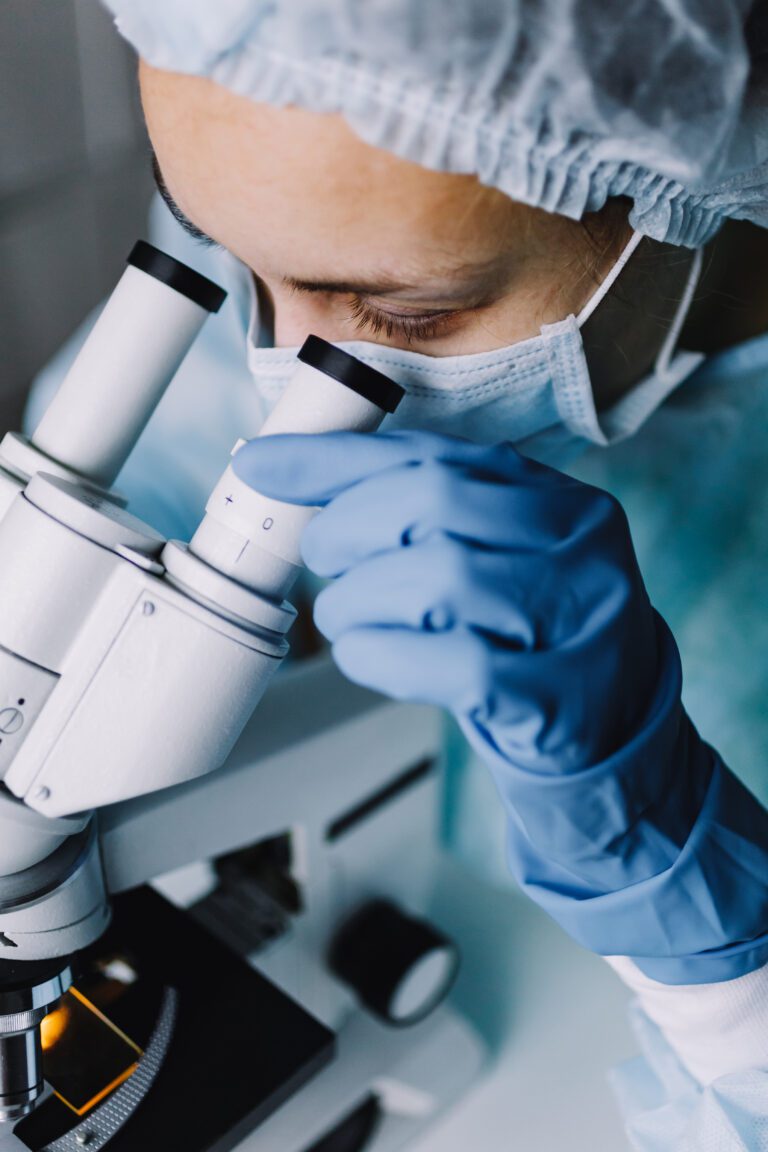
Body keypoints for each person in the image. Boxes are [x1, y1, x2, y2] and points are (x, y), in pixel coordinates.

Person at [27, 3, 768, 1147]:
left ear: (685, 189)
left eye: (404, 315)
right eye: (231, 257)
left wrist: (696, 901)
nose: (284, 371)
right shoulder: (322, 211)